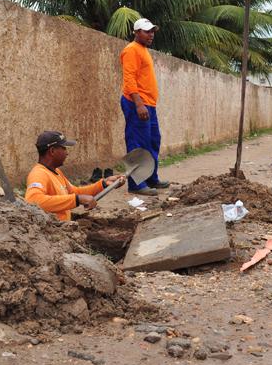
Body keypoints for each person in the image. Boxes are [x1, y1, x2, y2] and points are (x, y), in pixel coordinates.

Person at [25, 131, 123, 221]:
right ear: (52, 151)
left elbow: (75, 192)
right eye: (64, 148)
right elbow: (33, 201)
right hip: (53, 232)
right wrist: (77, 199)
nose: (67, 153)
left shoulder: (56, 172)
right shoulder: (39, 174)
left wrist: (103, 184)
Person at [120, 17, 169, 196]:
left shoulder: (143, 50)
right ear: (136, 32)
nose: (151, 35)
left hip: (148, 104)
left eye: (152, 31)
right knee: (137, 143)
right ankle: (136, 184)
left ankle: (151, 178)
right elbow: (129, 78)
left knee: (153, 141)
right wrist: (139, 104)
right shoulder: (131, 50)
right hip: (137, 103)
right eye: (147, 31)